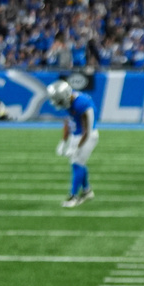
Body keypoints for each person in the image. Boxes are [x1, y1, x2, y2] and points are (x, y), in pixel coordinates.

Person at [48, 80, 98, 208]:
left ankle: (73, 196)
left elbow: (88, 130)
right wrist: (63, 141)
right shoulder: (69, 100)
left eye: (58, 100)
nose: (57, 103)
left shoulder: (82, 104)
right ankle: (87, 191)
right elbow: (68, 122)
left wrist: (77, 147)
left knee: (77, 164)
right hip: (76, 135)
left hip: (88, 136)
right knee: (77, 164)